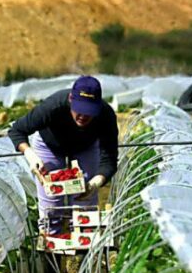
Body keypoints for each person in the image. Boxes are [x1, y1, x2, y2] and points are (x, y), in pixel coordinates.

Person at [8, 75, 119, 235]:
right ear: (70, 100)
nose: (83, 116)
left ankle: (84, 246)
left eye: (89, 112)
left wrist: (96, 182)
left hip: (86, 146)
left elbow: (109, 158)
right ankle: (51, 243)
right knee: (51, 198)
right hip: (50, 144)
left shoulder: (106, 115)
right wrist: (30, 154)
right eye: (79, 110)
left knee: (85, 199)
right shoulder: (54, 106)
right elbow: (17, 130)